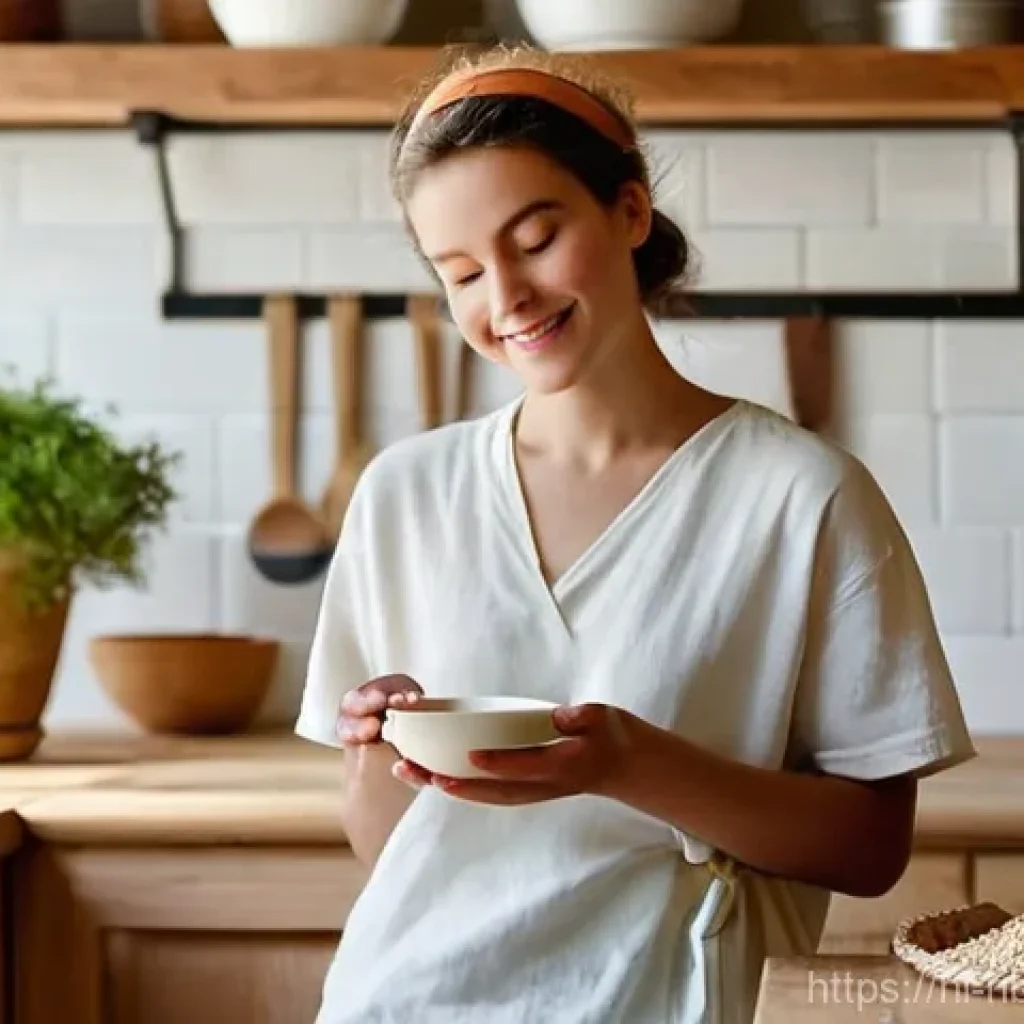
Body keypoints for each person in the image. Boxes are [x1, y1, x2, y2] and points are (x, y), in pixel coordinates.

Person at [295, 45, 977, 1024]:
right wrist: (377, 749)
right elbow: (388, 849)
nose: (506, 297)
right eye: (461, 272)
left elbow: (869, 850)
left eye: (534, 238)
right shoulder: (403, 494)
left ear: (627, 210)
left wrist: (629, 764)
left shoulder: (800, 497)